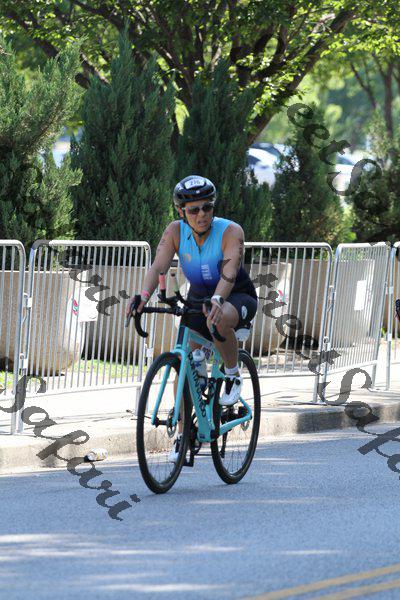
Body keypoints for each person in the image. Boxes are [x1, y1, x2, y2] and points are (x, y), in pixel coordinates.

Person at [127, 175, 258, 459]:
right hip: (198, 299)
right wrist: (143, 296)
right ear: (181, 211)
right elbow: (158, 267)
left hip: (235, 295)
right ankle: (183, 434)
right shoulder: (175, 231)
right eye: (194, 210)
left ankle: (232, 375)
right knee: (185, 364)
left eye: (207, 207)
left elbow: (229, 273)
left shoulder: (230, 231)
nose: (202, 215)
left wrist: (217, 299)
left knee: (218, 318)